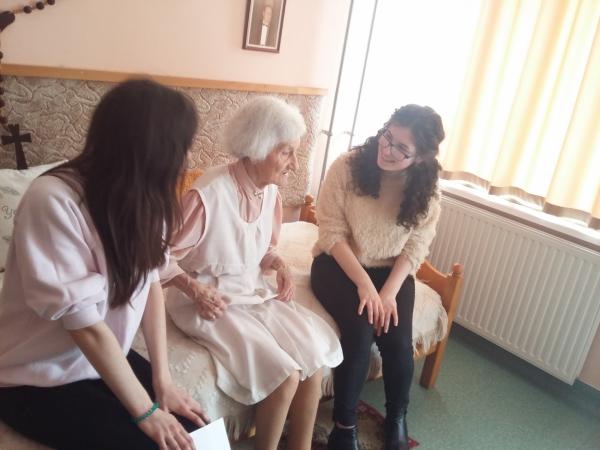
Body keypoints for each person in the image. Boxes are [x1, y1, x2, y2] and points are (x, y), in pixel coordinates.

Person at [0, 79, 209, 450]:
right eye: (183, 147)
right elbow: (84, 326)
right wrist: (146, 412)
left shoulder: (145, 200)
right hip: (33, 376)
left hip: (98, 359)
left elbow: (151, 284)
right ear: (149, 149)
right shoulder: (52, 201)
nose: (188, 159)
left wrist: (163, 382)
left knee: (199, 433)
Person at [161, 96, 343, 450]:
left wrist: (279, 264)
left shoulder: (270, 193)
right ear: (258, 148)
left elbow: (263, 249)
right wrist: (194, 289)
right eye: (286, 152)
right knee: (285, 376)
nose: (294, 164)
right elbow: (158, 258)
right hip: (208, 300)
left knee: (313, 361)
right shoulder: (207, 196)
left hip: (251, 290)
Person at [310, 105, 445, 450]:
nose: (388, 149)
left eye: (402, 148)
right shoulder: (347, 166)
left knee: (398, 341)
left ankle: (396, 418)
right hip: (337, 261)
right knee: (359, 330)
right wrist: (365, 286)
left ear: (421, 158)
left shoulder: (427, 189)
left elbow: (416, 247)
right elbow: (330, 231)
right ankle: (344, 427)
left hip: (391, 271)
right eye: (388, 136)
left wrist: (387, 293)